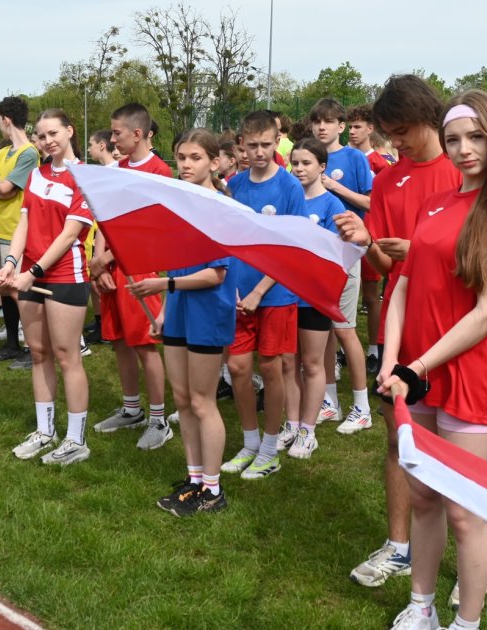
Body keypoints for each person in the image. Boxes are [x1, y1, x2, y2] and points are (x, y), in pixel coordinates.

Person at [373, 90, 487, 630]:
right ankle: (422, 605)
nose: (464, 150)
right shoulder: (435, 203)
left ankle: (467, 622)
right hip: (417, 373)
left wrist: (416, 367)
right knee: (422, 497)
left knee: (464, 511)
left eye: (474, 138)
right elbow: (405, 283)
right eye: (453, 140)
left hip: (469, 375)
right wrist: (393, 357)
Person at [337, 75, 461, 590]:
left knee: (458, 446)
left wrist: (424, 253)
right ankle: (399, 546)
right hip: (401, 322)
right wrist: (368, 241)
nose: (396, 142)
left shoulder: (462, 171)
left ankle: (462, 553)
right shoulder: (386, 179)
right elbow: (388, 266)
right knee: (399, 439)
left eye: (403, 130)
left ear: (430, 118)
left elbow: (484, 264)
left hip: (455, 326)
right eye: (389, 133)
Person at [130, 128, 237, 515]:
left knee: (203, 401)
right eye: (182, 157)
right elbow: (177, 262)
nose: (186, 164)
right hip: (177, 312)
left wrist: (163, 284)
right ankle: (194, 480)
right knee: (184, 400)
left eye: (195, 157)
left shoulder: (221, 207)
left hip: (208, 312)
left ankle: (213, 488)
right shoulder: (178, 204)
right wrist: (162, 310)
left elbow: (216, 275)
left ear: (214, 161)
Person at [0, 108, 94, 466]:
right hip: (28, 275)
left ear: (69, 131)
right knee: (38, 353)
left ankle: (76, 439)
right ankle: (45, 430)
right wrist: (11, 262)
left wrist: (33, 271)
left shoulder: (84, 178)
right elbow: (23, 224)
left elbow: (70, 233)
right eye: (41, 135)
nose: (47, 140)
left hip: (64, 277)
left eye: (53, 133)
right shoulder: (36, 174)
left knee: (68, 356)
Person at [220, 110, 305, 481]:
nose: (259, 152)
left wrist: (257, 291)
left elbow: (291, 249)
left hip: (275, 294)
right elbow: (227, 238)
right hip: (238, 294)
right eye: (252, 145)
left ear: (277, 141)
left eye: (266, 145)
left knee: (271, 369)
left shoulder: (289, 187)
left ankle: (270, 449)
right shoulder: (234, 185)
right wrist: (235, 287)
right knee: (238, 368)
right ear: (242, 144)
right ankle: (250, 442)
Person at [90, 103, 171, 450]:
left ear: (137, 134)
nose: (112, 139)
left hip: (140, 269)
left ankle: (158, 419)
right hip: (111, 267)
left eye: (117, 133)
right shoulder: (118, 169)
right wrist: (98, 260)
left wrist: (107, 257)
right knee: (120, 340)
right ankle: (130, 409)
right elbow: (107, 219)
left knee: (145, 345)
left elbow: (149, 231)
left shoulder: (160, 172)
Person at [283, 137, 344, 459]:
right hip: (284, 294)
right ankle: (291, 424)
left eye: (306, 163)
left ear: (322, 167)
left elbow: (338, 254)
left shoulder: (333, 206)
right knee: (288, 362)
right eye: (295, 163)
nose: (299, 169)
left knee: (312, 363)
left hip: (315, 296)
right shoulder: (289, 199)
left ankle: (309, 430)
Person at [311, 98, 379, 380]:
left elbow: (371, 203)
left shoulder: (354, 158)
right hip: (315, 250)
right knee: (320, 321)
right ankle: (326, 377)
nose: (322, 127)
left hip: (346, 249)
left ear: (341, 126)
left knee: (343, 323)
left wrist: (335, 187)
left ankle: (358, 389)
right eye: (317, 121)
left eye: (328, 122)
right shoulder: (307, 156)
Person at [0, 96, 40, 366]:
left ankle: (32, 347)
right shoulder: (2, 153)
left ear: (6, 119)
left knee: (17, 290)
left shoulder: (29, 153)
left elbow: (4, 189)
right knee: (4, 290)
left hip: (13, 232)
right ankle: (11, 345)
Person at [347, 104, 392, 175]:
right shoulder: (345, 157)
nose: (351, 131)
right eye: (350, 127)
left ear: (370, 129)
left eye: (357, 127)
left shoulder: (380, 164)